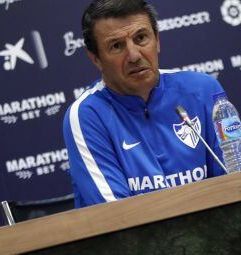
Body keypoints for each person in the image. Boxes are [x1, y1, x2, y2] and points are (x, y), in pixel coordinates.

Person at [63, 0, 226, 208]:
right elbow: (116, 217)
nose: (133, 55)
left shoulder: (203, 91)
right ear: (96, 59)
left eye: (141, 38)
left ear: (157, 40)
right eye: (116, 46)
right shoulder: (87, 115)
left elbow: (236, 183)